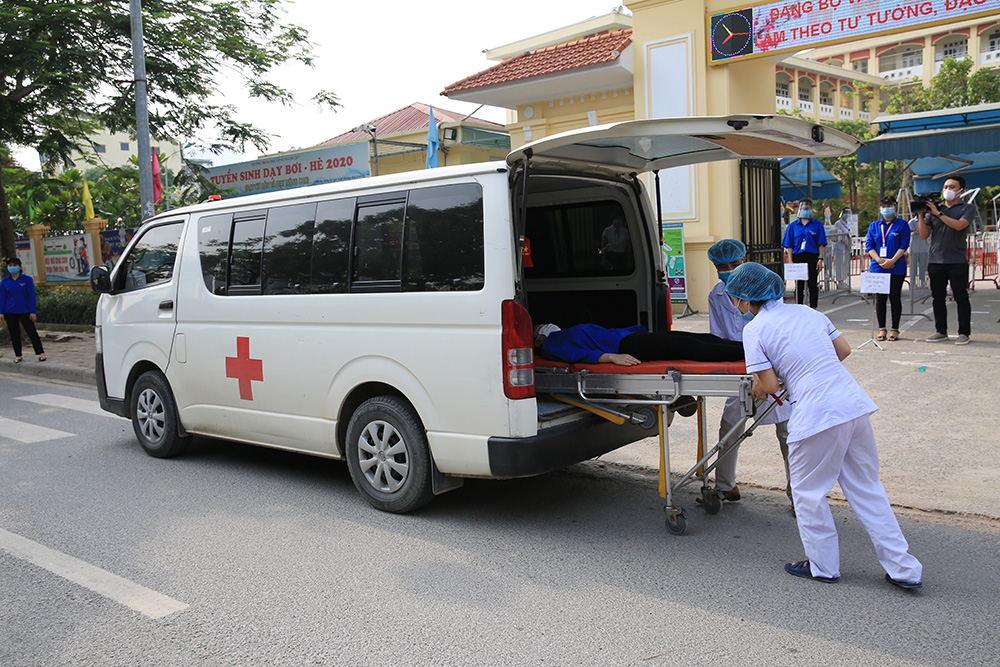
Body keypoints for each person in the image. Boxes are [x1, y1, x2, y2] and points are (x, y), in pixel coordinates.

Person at [726, 262, 922, 589]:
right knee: (868, 489)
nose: (736, 306)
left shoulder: (755, 329)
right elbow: (842, 350)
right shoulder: (808, 312)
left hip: (817, 415)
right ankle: (904, 569)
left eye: (736, 300)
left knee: (808, 493)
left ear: (747, 299)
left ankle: (823, 566)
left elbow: (770, 384)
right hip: (852, 404)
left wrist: (765, 386)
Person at [706, 239, 793, 507]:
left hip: (771, 365)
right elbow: (718, 336)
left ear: (745, 260)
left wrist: (763, 371)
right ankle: (725, 486)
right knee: (729, 427)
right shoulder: (716, 295)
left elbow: (774, 331)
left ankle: (798, 496)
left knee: (788, 431)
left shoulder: (764, 287)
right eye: (723, 266)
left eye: (735, 264)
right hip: (738, 365)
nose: (730, 270)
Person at [918, 176, 975, 345]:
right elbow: (923, 234)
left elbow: (959, 225)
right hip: (936, 260)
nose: (947, 189)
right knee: (937, 298)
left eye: (952, 186)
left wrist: (938, 213)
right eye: (945, 186)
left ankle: (964, 333)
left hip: (957, 260)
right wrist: (921, 215)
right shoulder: (936, 209)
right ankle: (940, 331)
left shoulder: (967, 208)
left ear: (961, 190)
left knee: (961, 297)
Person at [534, 322, 744, 366]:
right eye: (539, 327)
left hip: (631, 338)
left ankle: (745, 347)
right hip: (626, 347)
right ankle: (747, 353)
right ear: (537, 338)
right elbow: (575, 355)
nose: (546, 325)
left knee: (699, 338)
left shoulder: (564, 332)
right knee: (689, 345)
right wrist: (610, 357)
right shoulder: (551, 344)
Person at [865, 196, 911, 342]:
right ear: (880, 208)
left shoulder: (902, 225)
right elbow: (869, 245)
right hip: (878, 267)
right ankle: (881, 329)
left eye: (890, 205)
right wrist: (878, 260)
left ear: (895, 207)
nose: (887, 208)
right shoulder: (874, 225)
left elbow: (904, 245)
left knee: (895, 297)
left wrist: (892, 260)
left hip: (896, 266)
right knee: (880, 299)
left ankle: (895, 329)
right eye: (884, 206)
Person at [781, 198, 827, 308]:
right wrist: (790, 261)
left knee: (812, 284)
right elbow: (789, 245)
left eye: (808, 208)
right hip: (798, 256)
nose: (806, 210)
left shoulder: (817, 225)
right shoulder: (793, 226)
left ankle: (813, 307)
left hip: (812, 256)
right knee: (799, 285)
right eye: (804, 208)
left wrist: (820, 259)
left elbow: (821, 243)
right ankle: (799, 306)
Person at [0, 257, 46, 363]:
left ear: (20, 267)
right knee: (14, 334)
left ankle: (41, 353)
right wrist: (1, 312)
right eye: (10, 265)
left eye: (15, 265)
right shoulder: (5, 281)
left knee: (32, 332)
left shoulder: (27, 280)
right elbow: (2, 297)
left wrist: (32, 311)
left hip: (25, 310)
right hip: (10, 311)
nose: (12, 267)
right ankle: (18, 355)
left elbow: (31, 297)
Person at [831, 208, 852, 285]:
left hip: (846, 248)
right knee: (838, 264)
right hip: (839, 247)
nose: (847, 214)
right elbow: (839, 236)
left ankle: (844, 279)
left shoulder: (848, 223)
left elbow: (849, 234)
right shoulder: (838, 223)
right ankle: (839, 280)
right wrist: (846, 243)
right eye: (846, 213)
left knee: (844, 264)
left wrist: (850, 244)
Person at [907, 215, 929, 289]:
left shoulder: (927, 221)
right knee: (913, 268)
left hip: (924, 248)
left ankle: (922, 282)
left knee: (923, 267)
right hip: (914, 248)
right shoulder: (912, 222)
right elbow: (911, 233)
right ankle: (913, 283)